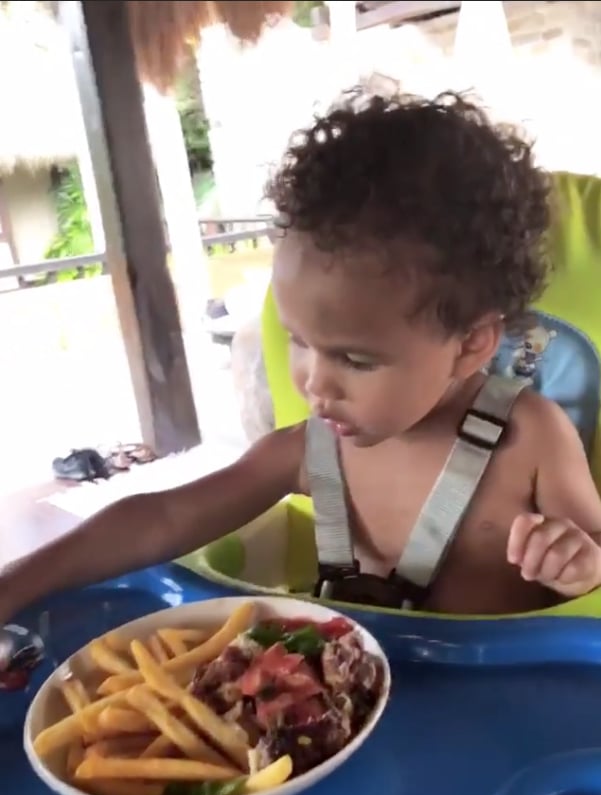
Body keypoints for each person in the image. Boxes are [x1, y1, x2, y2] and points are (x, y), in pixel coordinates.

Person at [2, 88, 601, 624]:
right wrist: (18, 582)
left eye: (357, 360)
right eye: (298, 339)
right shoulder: (310, 452)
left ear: (471, 345)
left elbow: (593, 550)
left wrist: (578, 561)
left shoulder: (530, 438)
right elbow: (160, 520)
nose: (315, 384)